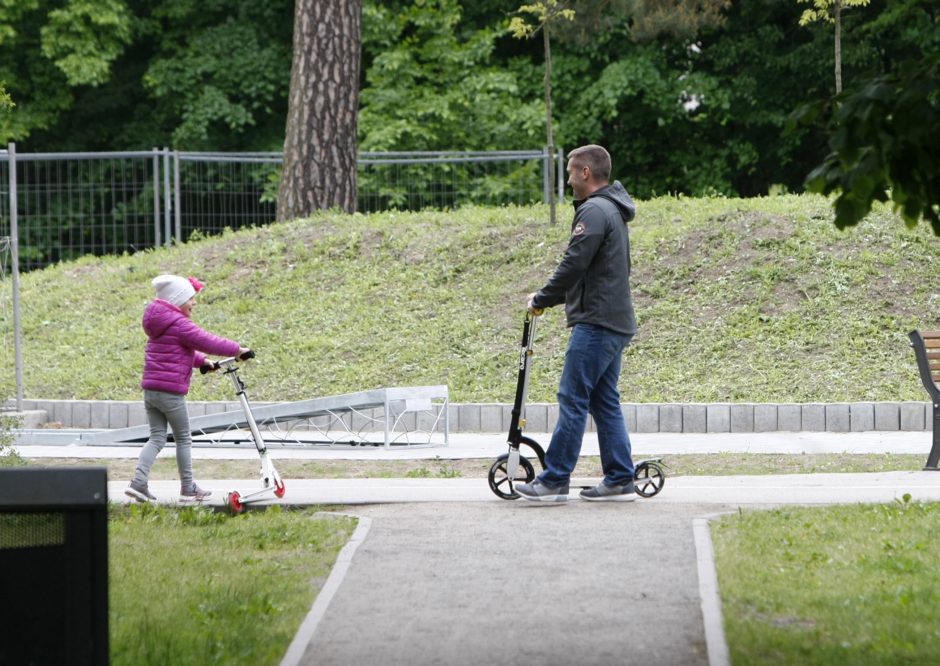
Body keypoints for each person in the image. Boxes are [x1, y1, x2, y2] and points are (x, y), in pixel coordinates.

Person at [515, 144, 638, 503]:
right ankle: (619, 478)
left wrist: (541, 299)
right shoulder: (610, 210)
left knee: (573, 398)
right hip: (613, 320)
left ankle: (554, 480)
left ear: (586, 172)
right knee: (604, 401)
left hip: (597, 322)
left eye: (570, 171)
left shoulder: (595, 212)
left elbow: (573, 265)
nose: (568, 179)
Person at [125, 274, 248, 503]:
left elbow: (178, 350)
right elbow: (206, 341)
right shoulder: (180, 324)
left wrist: (202, 362)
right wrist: (237, 349)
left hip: (151, 391)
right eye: (191, 298)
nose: (195, 302)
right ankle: (188, 488)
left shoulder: (160, 324)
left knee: (157, 437)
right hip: (171, 393)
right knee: (183, 438)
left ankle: (138, 483)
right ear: (178, 299)